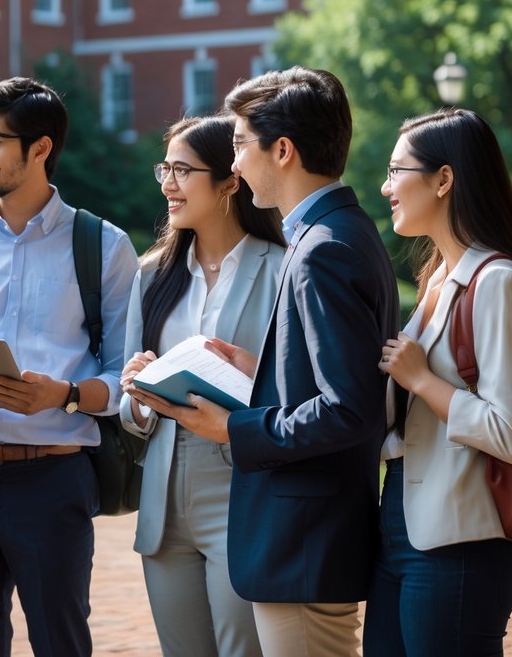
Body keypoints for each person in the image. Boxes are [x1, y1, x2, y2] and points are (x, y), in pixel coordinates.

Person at [136, 67, 399, 655]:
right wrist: (258, 373)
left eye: (238, 146)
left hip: (303, 541)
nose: (233, 165)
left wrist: (233, 424)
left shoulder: (322, 248)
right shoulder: (332, 234)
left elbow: (348, 410)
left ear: (282, 150)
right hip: (307, 536)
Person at [0, 77, 139, 657]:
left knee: (61, 644)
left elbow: (125, 378)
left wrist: (62, 394)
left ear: (40, 148)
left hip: (51, 481)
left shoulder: (102, 246)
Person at [365, 108, 512, 655]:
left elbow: (511, 435)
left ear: (444, 179)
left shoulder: (499, 282)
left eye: (397, 170)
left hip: (460, 542)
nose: (385, 184)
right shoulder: (439, 279)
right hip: (399, 525)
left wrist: (421, 380)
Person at [119, 115, 284, 657]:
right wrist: (139, 396)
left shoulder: (283, 268)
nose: (168, 182)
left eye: (183, 170)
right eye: (164, 168)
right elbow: (128, 409)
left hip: (243, 489)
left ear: (230, 181)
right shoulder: (150, 275)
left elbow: (297, 385)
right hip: (165, 499)